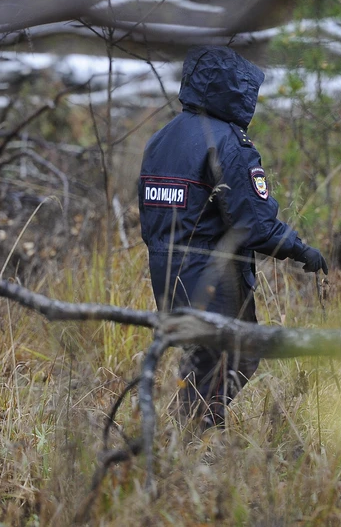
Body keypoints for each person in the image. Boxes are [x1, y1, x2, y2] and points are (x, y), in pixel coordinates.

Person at [137, 45, 328, 429]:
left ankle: (188, 439)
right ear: (235, 89)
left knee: (204, 357)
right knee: (237, 354)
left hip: (165, 270)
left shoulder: (161, 139)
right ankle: (191, 438)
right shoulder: (227, 142)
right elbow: (255, 224)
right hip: (212, 273)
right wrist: (301, 250)